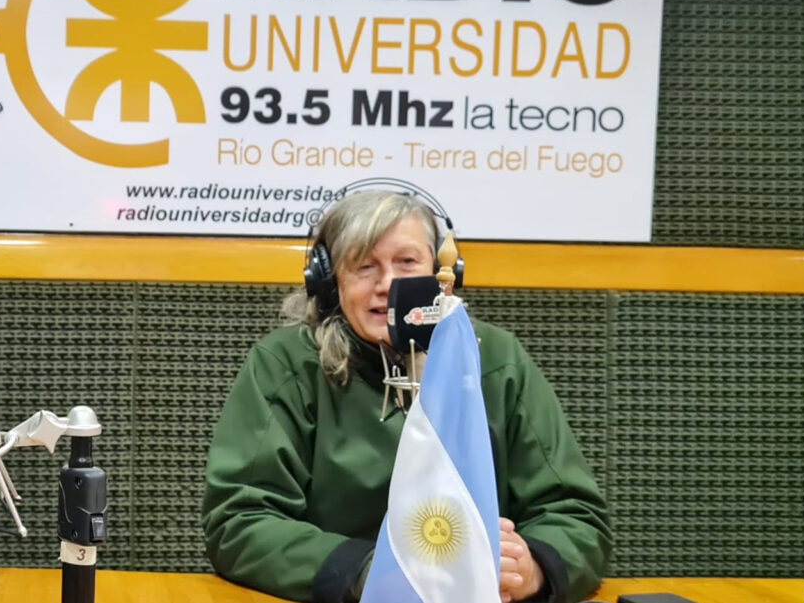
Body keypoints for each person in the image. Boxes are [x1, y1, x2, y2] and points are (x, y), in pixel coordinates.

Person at [201, 190, 611, 603]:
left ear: (441, 273)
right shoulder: (286, 366)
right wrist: (372, 573)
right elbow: (241, 521)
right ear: (329, 281)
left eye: (407, 262)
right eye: (364, 266)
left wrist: (532, 568)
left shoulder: (497, 362)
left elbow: (577, 517)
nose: (387, 285)